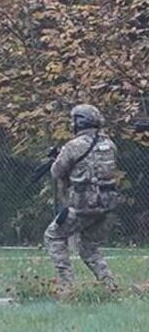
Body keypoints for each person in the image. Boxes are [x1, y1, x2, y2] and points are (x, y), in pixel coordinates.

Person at [44, 103, 121, 292]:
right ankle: (109, 285)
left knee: (53, 236)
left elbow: (57, 172)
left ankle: (66, 285)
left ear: (78, 123)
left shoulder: (73, 146)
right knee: (89, 248)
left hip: (83, 205)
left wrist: (56, 158)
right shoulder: (109, 145)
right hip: (106, 204)